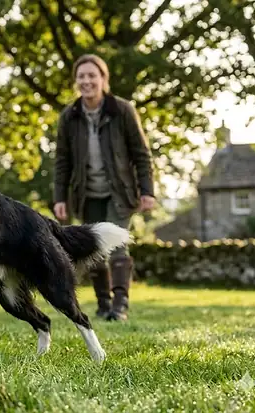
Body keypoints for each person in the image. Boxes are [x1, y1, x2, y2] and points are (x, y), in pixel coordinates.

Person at [52, 54, 155, 321]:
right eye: (81, 76)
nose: (86, 81)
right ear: (76, 81)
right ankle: (103, 304)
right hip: (86, 195)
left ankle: (120, 305)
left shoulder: (122, 111)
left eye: (92, 76)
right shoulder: (69, 117)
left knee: (118, 244)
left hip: (120, 192)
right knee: (93, 247)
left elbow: (141, 154)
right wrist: (59, 197)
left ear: (103, 79)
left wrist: (147, 190)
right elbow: (62, 162)